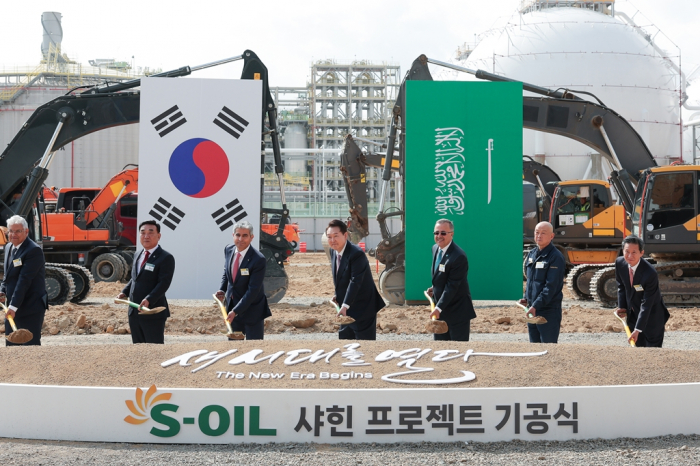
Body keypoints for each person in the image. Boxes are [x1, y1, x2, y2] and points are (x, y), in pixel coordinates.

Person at [117, 220, 175, 344]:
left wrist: (149, 299)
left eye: (150, 232)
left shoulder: (165, 257)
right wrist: (124, 292)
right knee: (139, 350)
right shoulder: (138, 254)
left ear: (159, 236)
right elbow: (135, 278)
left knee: (153, 350)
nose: (146, 236)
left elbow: (164, 283)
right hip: (134, 311)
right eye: (142, 233)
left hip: (152, 311)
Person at [326, 219, 385, 340]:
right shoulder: (333, 251)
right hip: (345, 308)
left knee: (364, 346)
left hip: (363, 308)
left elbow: (355, 281)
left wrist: (345, 305)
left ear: (345, 235)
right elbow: (340, 277)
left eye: (336, 236)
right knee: (345, 342)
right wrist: (337, 295)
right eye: (329, 237)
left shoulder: (356, 253)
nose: (332, 240)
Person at [215, 221, 270, 340]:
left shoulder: (258, 259)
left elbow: (253, 290)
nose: (241, 239)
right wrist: (222, 289)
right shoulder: (228, 250)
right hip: (233, 309)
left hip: (252, 311)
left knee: (253, 349)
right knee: (234, 349)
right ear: (233, 235)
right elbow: (227, 272)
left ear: (252, 237)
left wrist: (235, 311)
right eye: (238, 235)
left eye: (245, 235)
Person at [614, 235, 670, 347]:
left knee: (652, 353)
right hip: (633, 314)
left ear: (641, 252)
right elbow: (622, 286)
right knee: (637, 352)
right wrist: (622, 306)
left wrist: (638, 329)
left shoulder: (650, 273)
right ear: (622, 251)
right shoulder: (620, 263)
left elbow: (647, 303)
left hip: (652, 318)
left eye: (634, 252)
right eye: (627, 251)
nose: (630, 256)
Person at [0, 215, 48, 346]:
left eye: (18, 231)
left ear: (26, 231)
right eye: (11, 231)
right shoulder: (9, 247)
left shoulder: (33, 250)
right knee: (12, 346)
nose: (13, 234)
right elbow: (7, 277)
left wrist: (13, 306)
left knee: (29, 348)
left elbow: (24, 280)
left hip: (30, 308)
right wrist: (2, 292)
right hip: (12, 308)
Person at [426, 219, 476, 341]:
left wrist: (437, 308)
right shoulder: (435, 249)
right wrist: (435, 288)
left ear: (451, 234)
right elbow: (442, 276)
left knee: (457, 352)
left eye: (443, 233)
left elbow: (452, 286)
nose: (439, 236)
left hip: (457, 313)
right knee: (440, 351)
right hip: (441, 313)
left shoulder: (458, 256)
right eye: (436, 233)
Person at [520, 221, 566, 343]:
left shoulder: (555, 257)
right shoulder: (532, 254)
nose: (539, 236)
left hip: (548, 311)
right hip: (532, 309)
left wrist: (536, 305)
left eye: (543, 233)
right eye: (537, 232)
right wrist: (526, 298)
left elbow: (551, 286)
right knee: (534, 347)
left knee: (548, 348)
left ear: (551, 236)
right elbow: (531, 281)